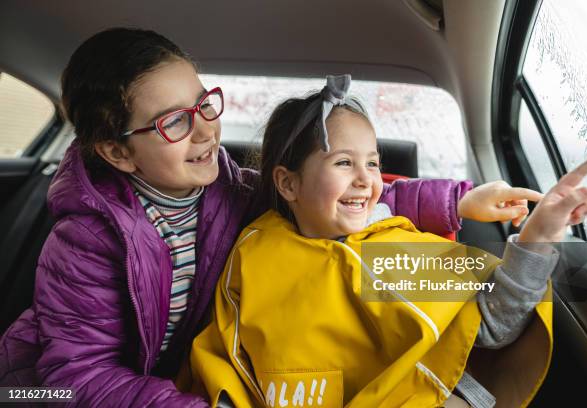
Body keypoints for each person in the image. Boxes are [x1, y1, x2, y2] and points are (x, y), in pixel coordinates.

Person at [0, 29, 542, 406]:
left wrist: (456, 202)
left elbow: (331, 200)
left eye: (204, 103)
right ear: (118, 153)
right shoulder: (85, 242)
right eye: (173, 123)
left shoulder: (232, 191)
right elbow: (77, 374)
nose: (207, 130)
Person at [188, 75, 587, 407]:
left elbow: (493, 325)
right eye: (344, 162)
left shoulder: (391, 250)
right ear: (288, 182)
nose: (367, 179)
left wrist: (538, 237)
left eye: (373, 163)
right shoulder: (257, 252)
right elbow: (228, 364)